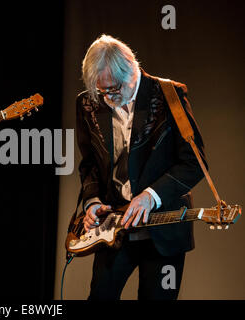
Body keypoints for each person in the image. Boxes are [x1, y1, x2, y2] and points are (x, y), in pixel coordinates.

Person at [77, 34, 206, 300]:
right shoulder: (88, 103)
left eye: (114, 89)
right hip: (113, 226)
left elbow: (195, 162)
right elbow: (88, 162)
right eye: (101, 91)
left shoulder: (169, 94)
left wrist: (151, 196)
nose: (108, 98)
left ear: (132, 71)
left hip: (163, 229)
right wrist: (91, 201)